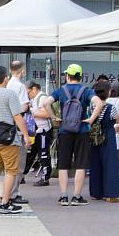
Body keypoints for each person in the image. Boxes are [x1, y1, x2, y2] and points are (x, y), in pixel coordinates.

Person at [46, 64, 103, 206]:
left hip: (64, 131)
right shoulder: (86, 91)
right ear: (80, 76)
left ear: (67, 76)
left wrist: (54, 117)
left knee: (63, 165)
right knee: (80, 165)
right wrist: (90, 119)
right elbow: (99, 103)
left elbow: (46, 103)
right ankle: (77, 197)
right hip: (82, 130)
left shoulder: (61, 90)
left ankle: (64, 196)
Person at [0, 66, 30, 214]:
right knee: (10, 171)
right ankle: (5, 203)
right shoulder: (10, 94)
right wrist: (26, 135)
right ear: (5, 78)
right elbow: (17, 116)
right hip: (8, 139)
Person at [89, 82, 119, 202]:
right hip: (108, 136)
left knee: (95, 164)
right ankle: (111, 193)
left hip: (94, 137)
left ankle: (96, 192)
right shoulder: (110, 107)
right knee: (110, 164)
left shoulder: (91, 107)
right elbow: (118, 122)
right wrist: (117, 128)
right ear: (108, 92)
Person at [6, 61, 30, 204]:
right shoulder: (20, 86)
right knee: (19, 163)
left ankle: (8, 193)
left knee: (9, 163)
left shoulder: (7, 85)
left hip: (5, 129)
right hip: (17, 129)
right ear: (22, 71)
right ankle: (13, 193)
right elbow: (23, 107)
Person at [27, 81, 53, 186]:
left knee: (43, 154)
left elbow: (48, 114)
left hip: (44, 130)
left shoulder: (42, 98)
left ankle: (45, 177)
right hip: (37, 130)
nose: (28, 95)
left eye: (28, 92)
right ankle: (22, 175)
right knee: (33, 153)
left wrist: (32, 112)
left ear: (34, 89)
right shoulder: (35, 99)